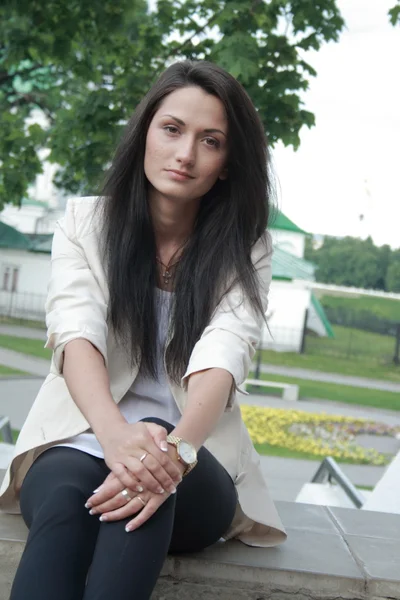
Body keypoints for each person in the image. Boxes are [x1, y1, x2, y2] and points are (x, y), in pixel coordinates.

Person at [0, 60, 286, 600]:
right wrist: (115, 438)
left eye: (211, 140)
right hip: (82, 438)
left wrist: (170, 453)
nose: (186, 154)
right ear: (145, 133)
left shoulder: (246, 248)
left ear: (227, 163)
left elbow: (224, 354)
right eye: (172, 129)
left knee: (151, 479)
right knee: (65, 501)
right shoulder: (85, 225)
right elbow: (75, 333)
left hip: (193, 459)